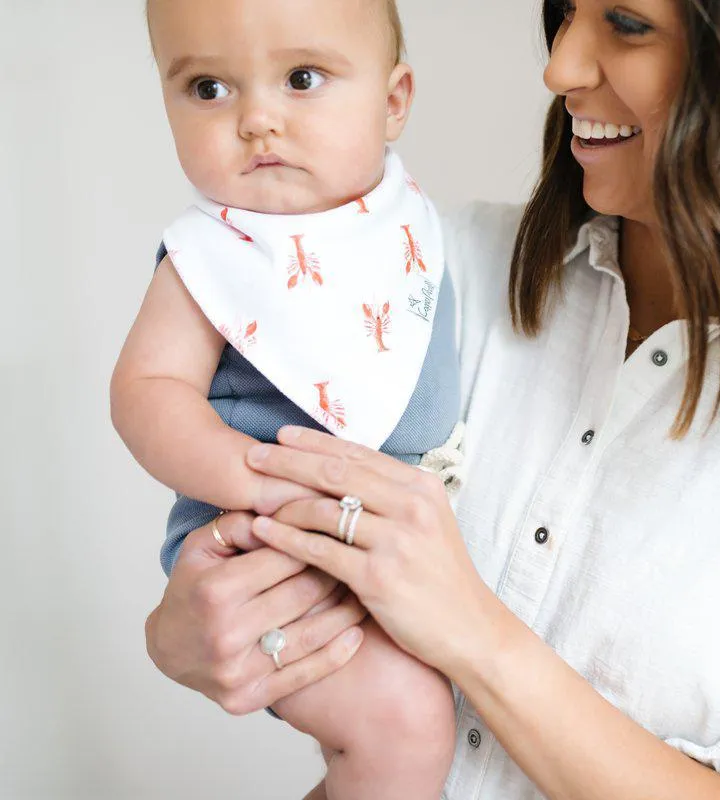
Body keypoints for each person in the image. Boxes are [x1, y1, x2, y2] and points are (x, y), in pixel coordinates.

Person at [144, 0, 720, 797]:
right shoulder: (423, 281)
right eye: (565, 14)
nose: (559, 67)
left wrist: (476, 632)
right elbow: (203, 451)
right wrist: (190, 639)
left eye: (627, 24)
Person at [111, 0, 464, 797]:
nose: (257, 119)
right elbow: (145, 391)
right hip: (265, 549)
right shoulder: (209, 255)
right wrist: (261, 479)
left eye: (302, 78)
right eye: (207, 88)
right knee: (405, 717)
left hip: (390, 552)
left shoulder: (410, 232)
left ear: (394, 100)